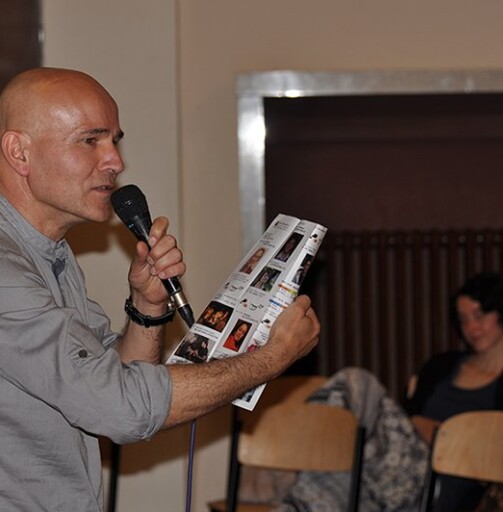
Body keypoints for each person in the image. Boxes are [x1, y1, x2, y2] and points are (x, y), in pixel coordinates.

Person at [0, 67, 321, 511]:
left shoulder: (50, 254)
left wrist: (147, 307)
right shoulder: (7, 269)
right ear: (19, 152)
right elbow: (120, 409)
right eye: (90, 140)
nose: (115, 161)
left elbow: (109, 375)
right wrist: (272, 358)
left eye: (115, 140)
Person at [240, 272, 503, 512]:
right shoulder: (441, 366)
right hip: (390, 474)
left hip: (436, 488)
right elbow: (408, 420)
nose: (471, 327)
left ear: (502, 312)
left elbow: (500, 448)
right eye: (463, 319)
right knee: (332, 482)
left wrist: (445, 436)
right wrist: (420, 427)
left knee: (356, 383)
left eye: (480, 316)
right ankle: (299, 472)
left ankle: (289, 468)